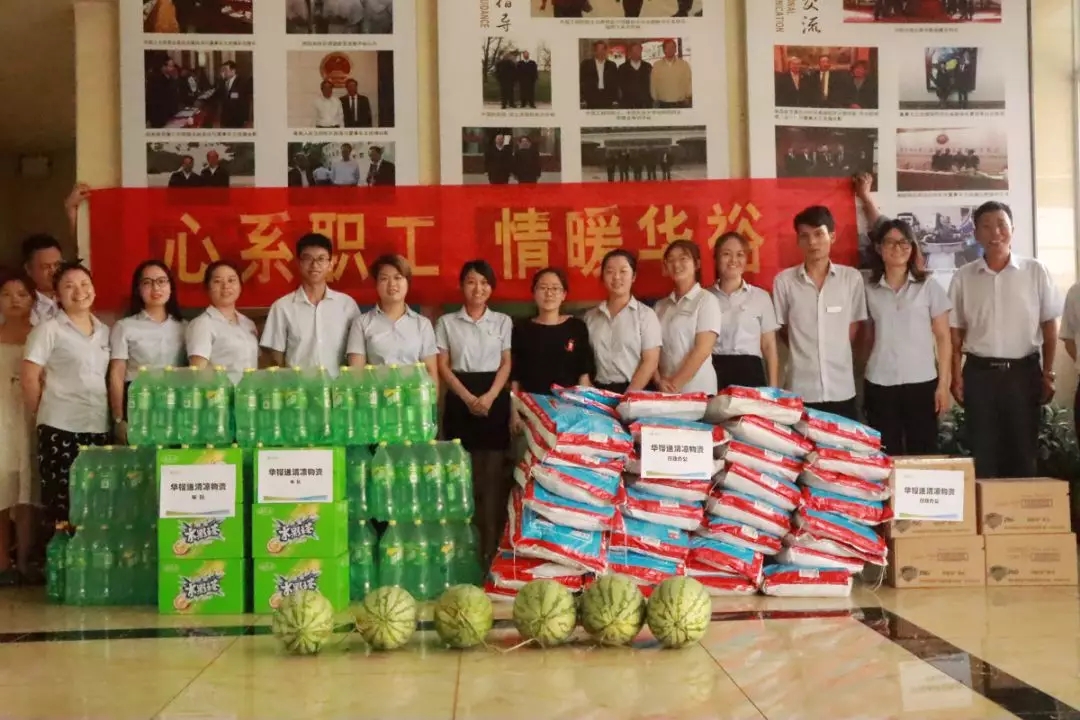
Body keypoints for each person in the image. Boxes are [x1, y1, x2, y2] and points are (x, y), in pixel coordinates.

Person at [950, 201, 1060, 479]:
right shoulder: (964, 277)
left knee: (1023, 453)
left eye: (1001, 225)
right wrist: (956, 376)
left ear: (1013, 229)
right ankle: (988, 508)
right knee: (983, 454)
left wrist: (1048, 372)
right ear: (976, 234)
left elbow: (1049, 325)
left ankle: (1019, 508)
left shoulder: (1036, 271)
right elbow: (956, 332)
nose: (995, 232)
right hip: (979, 375)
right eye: (986, 226)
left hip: (1023, 375)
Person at [855, 175, 952, 455]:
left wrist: (943, 385)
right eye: (890, 243)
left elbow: (943, 338)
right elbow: (864, 336)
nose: (897, 248)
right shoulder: (868, 288)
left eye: (904, 243)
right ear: (878, 248)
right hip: (879, 381)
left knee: (923, 452)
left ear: (912, 248)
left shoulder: (928, 287)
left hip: (922, 382)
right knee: (886, 454)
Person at [22, 263, 111, 529]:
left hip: (97, 425)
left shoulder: (104, 331)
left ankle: (88, 554)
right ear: (58, 295)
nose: (79, 291)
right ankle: (61, 554)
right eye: (69, 286)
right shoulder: (48, 330)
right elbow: (29, 376)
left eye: (84, 284)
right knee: (62, 505)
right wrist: (41, 414)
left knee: (96, 501)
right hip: (60, 427)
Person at [435, 260, 513, 564]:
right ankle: (463, 553)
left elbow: (506, 363)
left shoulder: (503, 321)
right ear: (461, 286)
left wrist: (490, 396)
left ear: (491, 287)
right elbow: (443, 366)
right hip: (460, 398)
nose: (478, 288)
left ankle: (491, 552)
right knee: (461, 478)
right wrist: (468, 398)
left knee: (491, 482)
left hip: (494, 399)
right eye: (471, 282)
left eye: (484, 282)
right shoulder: (446, 322)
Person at [773, 205, 868, 419]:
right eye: (805, 236)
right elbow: (784, 329)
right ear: (798, 241)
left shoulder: (851, 279)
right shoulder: (784, 282)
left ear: (832, 236)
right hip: (800, 389)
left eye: (819, 234)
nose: (812, 242)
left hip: (841, 388)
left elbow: (853, 329)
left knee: (842, 441)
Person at [108, 261, 187, 444]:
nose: (155, 288)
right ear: (138, 289)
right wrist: (118, 418)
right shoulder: (125, 327)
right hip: (138, 402)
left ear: (171, 287)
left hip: (175, 404)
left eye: (161, 281)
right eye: (147, 283)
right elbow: (116, 374)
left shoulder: (184, 327)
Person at [261, 233, 359, 376]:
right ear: (299, 263)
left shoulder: (347, 305)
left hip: (338, 386)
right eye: (308, 258)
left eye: (321, 259)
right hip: (297, 387)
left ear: (331, 264)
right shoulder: (282, 307)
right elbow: (276, 359)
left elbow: (357, 354)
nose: (314, 265)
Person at [510, 268, 594, 433]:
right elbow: (515, 378)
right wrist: (515, 414)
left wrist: (585, 413)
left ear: (564, 295)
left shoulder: (576, 327)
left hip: (570, 412)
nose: (549, 293)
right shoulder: (522, 329)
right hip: (532, 412)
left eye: (555, 288)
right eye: (543, 288)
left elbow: (584, 374)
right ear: (534, 293)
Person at [347, 254, 439, 384]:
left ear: (407, 282)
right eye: (384, 278)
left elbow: (431, 372)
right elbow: (357, 374)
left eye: (398, 278)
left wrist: (432, 397)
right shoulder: (361, 323)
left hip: (414, 395)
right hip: (377, 394)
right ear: (376, 285)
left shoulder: (422, 324)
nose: (392, 284)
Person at [0, 275, 37, 585]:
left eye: (22, 294)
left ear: (33, 299)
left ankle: (25, 560)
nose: (14, 300)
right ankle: (2, 561)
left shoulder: (42, 335)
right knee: (2, 486)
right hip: (1, 418)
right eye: (6, 294)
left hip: (30, 416)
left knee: (28, 489)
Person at [584, 250, 661, 394]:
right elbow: (584, 359)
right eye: (610, 272)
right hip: (599, 391)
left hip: (635, 390)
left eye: (623, 271)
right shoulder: (590, 317)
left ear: (633, 276)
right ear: (603, 277)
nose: (616, 277)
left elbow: (650, 361)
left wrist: (628, 396)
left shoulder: (646, 315)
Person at [709, 232, 780, 389]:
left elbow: (769, 346)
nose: (733, 260)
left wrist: (773, 388)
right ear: (716, 258)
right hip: (713, 370)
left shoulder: (760, 297)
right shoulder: (705, 298)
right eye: (726, 254)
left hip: (750, 371)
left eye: (740, 255)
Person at [653, 240, 722, 394]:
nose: (676, 264)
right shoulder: (660, 306)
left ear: (697, 264)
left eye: (683, 258)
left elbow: (702, 349)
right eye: (671, 260)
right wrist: (658, 381)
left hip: (698, 390)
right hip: (665, 389)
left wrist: (674, 385)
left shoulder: (707, 300)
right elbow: (651, 349)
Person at [186, 261, 259, 384]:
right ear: (208, 288)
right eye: (217, 281)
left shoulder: (248, 323)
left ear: (240, 286)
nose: (226, 286)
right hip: (220, 394)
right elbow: (199, 371)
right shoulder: (202, 324)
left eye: (231, 280)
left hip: (249, 393)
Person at [18, 234, 63, 326]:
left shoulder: (74, 298)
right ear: (28, 269)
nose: (53, 271)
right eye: (45, 266)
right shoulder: (20, 304)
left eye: (57, 265)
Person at [650, 39, 692, 108]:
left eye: (672, 47)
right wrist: (655, 98)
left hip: (680, 103)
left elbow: (689, 81)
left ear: (675, 49)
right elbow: (653, 83)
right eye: (667, 47)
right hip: (663, 104)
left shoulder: (684, 64)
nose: (670, 49)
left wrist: (688, 96)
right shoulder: (657, 65)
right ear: (664, 50)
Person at [580, 41, 618, 110]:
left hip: (607, 98)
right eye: (598, 50)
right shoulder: (586, 64)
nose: (601, 52)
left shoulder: (612, 65)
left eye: (603, 49)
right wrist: (583, 98)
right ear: (594, 51)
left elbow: (615, 83)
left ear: (606, 51)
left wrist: (615, 98)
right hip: (591, 98)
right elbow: (581, 81)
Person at [213, 61, 251, 129]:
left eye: (225, 70)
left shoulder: (241, 82)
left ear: (233, 71)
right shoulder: (223, 82)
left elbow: (243, 100)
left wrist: (245, 118)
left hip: (237, 118)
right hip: (225, 118)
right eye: (223, 70)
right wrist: (221, 80)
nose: (223, 72)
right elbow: (219, 95)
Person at [618, 41, 652, 109]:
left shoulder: (647, 67)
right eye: (634, 51)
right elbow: (619, 86)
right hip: (628, 104)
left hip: (644, 104)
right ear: (630, 52)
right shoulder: (622, 68)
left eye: (638, 51)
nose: (636, 53)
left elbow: (651, 84)